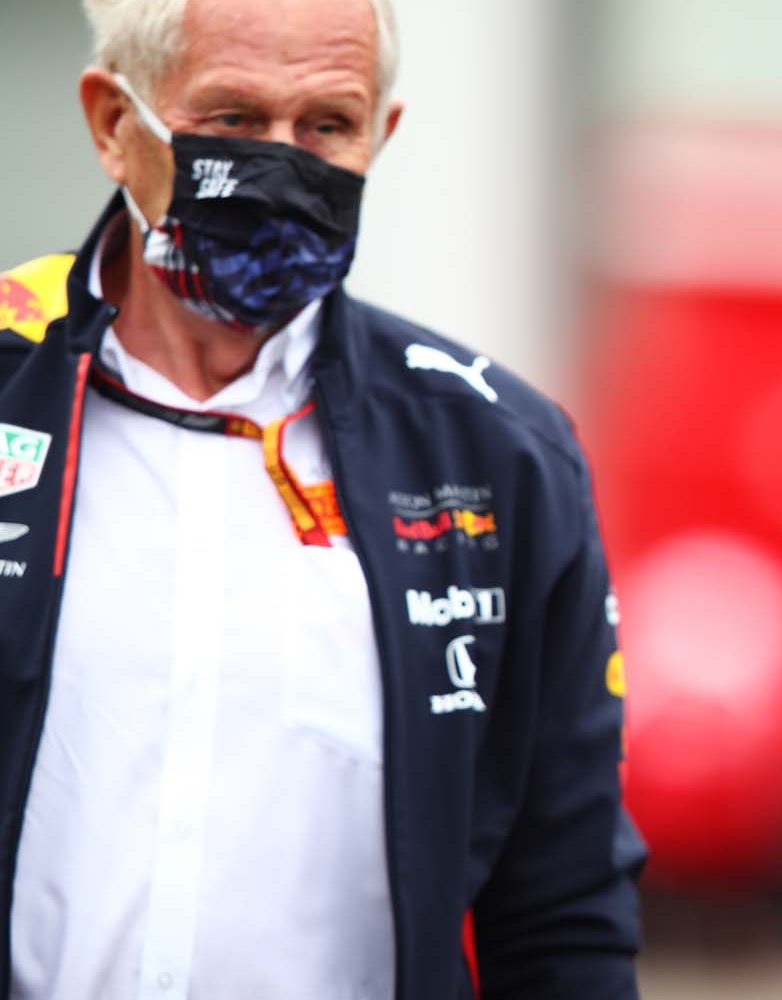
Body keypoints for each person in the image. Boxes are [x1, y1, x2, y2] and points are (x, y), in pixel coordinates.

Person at [0, 0, 644, 996]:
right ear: (114, 127)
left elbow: (563, 905)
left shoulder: (496, 454)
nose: (283, 162)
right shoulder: (14, 381)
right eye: (234, 120)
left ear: (380, 136)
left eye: (326, 126)